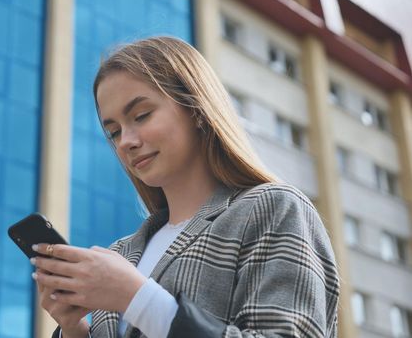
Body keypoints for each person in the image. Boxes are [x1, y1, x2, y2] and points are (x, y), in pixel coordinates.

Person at [31, 36, 340, 338]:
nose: (126, 141)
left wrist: (136, 297)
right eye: (113, 132)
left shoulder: (272, 209)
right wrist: (75, 331)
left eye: (141, 115)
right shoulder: (121, 254)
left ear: (196, 109)